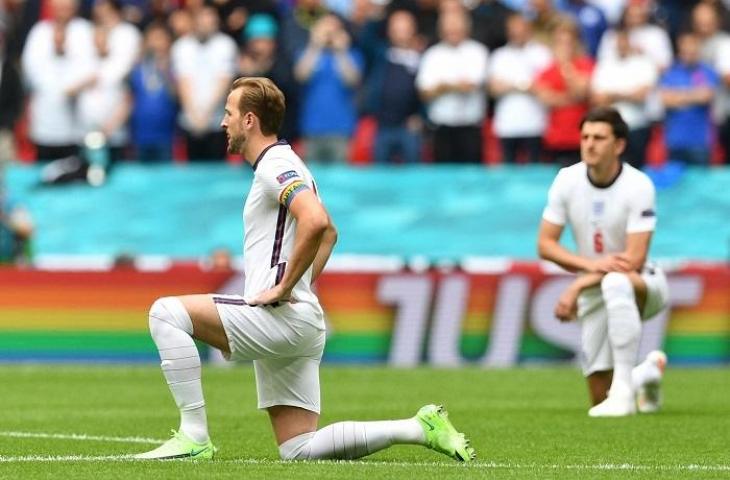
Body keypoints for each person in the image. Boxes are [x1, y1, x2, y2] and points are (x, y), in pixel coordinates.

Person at [134, 77, 476, 461]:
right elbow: (329, 232)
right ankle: (418, 427)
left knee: (165, 313)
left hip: (280, 315)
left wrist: (284, 288)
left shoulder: (274, 165)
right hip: (299, 320)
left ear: (249, 120)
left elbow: (315, 221)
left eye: (228, 113)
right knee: (299, 449)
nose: (222, 123)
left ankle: (194, 436)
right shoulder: (287, 163)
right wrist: (300, 287)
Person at [537, 106, 669, 417]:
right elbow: (545, 244)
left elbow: (634, 259)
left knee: (616, 280)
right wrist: (590, 267)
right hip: (597, 285)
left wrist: (579, 282)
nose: (589, 144)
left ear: (619, 145)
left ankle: (624, 393)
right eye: (585, 137)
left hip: (644, 284)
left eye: (599, 137)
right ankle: (644, 374)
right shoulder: (566, 180)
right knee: (599, 399)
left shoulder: (638, 186)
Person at [416, 7, 489, 163]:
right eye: (448, 27)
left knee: (473, 178)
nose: (452, 30)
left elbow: (471, 85)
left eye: (456, 26)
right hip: (441, 130)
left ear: (466, 27)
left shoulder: (478, 52)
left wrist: (442, 87)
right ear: (441, 29)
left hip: (470, 130)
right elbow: (424, 92)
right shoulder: (432, 55)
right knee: (442, 179)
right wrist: (452, 86)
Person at [659, 31, 719, 166]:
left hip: (700, 140)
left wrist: (678, 96)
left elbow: (706, 96)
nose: (689, 52)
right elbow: (666, 100)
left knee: (700, 184)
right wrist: (694, 95)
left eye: (692, 48)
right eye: (685, 49)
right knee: (677, 184)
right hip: (674, 139)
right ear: (680, 49)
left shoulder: (707, 71)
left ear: (698, 48)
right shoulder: (671, 72)